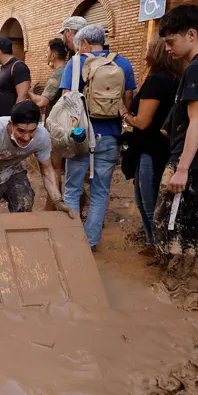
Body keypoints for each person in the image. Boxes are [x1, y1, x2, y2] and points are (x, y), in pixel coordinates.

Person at [153, 4, 198, 287]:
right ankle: (180, 280)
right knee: (189, 221)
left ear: (191, 34)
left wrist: (181, 168)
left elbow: (197, 121)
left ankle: (173, 284)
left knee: (171, 222)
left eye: (171, 41)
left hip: (190, 162)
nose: (168, 48)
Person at [59, 24, 137, 251]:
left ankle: (71, 242)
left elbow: (66, 100)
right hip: (110, 136)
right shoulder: (123, 63)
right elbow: (128, 99)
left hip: (79, 136)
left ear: (83, 43)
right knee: (100, 191)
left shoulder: (75, 63)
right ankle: (90, 243)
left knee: (72, 189)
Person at [121, 36, 181, 253]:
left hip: (150, 150)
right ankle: (153, 243)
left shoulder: (157, 80)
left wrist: (126, 115)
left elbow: (143, 122)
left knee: (148, 203)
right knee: (149, 200)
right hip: (162, 148)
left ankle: (157, 246)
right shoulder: (175, 79)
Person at [0, 101, 73, 221]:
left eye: (31, 131)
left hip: (13, 167)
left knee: (24, 203)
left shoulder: (41, 136)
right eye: (21, 131)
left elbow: (47, 169)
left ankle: (16, 236)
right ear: (11, 124)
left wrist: (57, 201)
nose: (26, 137)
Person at [28, 38, 69, 209]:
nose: (46, 56)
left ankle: (52, 206)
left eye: (46, 52)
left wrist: (29, 92)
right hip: (70, 127)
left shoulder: (58, 73)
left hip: (57, 129)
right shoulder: (70, 69)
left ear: (52, 54)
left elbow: (42, 102)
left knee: (54, 168)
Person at [0, 37, 31, 119]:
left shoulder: (18, 66)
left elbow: (23, 96)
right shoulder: (1, 68)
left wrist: (14, 120)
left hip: (8, 122)